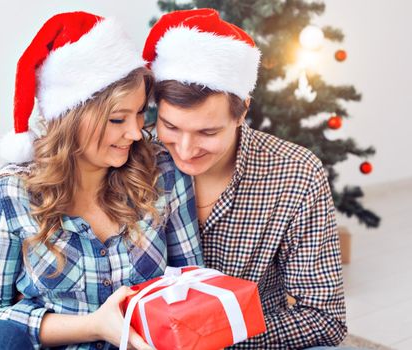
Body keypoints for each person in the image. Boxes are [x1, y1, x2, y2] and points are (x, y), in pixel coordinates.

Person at [0, 12, 203, 350]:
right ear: (71, 117)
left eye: (139, 114)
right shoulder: (9, 192)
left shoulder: (162, 171)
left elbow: (193, 284)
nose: (134, 133)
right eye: (118, 119)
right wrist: (94, 327)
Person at [144, 9, 347, 349]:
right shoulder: (134, 161)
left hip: (250, 338)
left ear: (243, 111)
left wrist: (213, 340)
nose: (185, 148)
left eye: (207, 131)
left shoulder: (296, 172)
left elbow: (324, 318)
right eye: (170, 127)